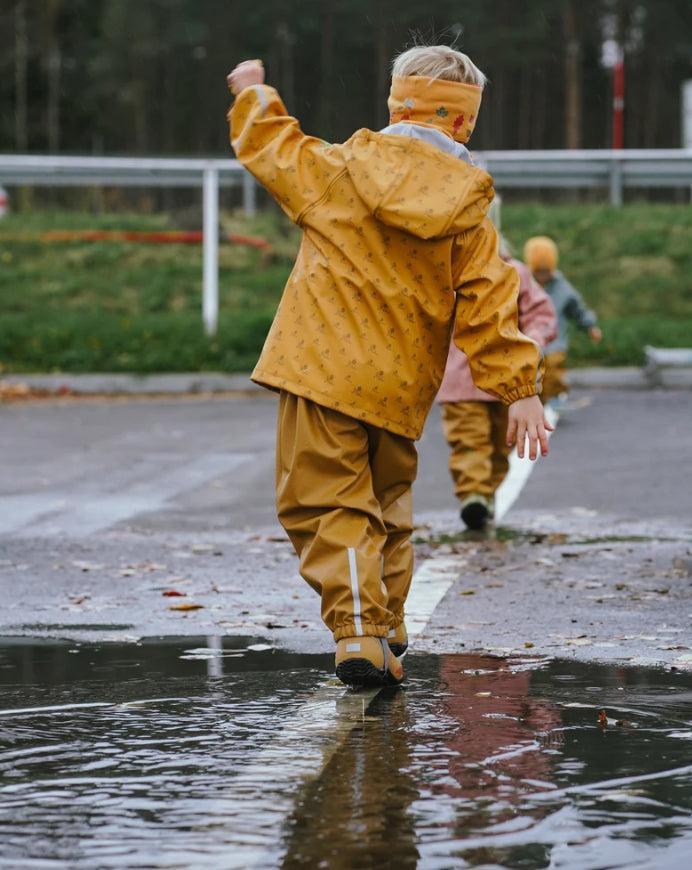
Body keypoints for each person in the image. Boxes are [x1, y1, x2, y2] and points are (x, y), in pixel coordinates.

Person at [227, 45, 551, 688]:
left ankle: (359, 632)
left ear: (396, 105)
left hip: (320, 371)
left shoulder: (341, 171)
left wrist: (253, 93)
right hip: (400, 387)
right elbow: (492, 309)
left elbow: (271, 147)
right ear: (465, 123)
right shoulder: (470, 215)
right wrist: (520, 391)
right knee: (386, 502)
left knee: (325, 504)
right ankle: (389, 618)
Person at [437, 240, 557, 529]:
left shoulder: (514, 273)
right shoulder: (449, 273)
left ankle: (486, 492)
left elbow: (541, 313)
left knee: (501, 445)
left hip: (507, 383)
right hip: (462, 381)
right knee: (469, 441)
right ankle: (473, 494)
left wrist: (532, 342)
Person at [524, 236, 601, 405]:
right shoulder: (525, 284)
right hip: (532, 339)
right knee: (532, 373)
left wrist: (590, 326)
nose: (542, 276)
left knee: (552, 369)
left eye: (546, 272)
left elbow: (577, 309)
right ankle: (538, 401)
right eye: (538, 272)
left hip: (555, 341)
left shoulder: (562, 288)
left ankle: (554, 398)